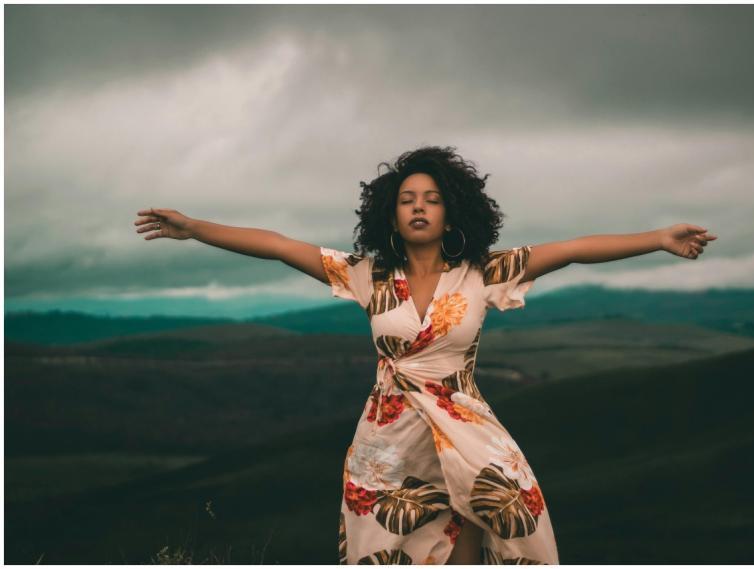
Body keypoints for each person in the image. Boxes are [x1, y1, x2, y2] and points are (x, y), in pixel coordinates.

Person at [134, 145, 717, 564]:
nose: (419, 207)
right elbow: (280, 247)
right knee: (391, 547)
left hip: (464, 427)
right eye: (407, 199)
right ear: (389, 211)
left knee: (493, 520)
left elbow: (574, 250)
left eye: (432, 199)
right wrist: (195, 228)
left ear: (450, 211)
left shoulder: (484, 272)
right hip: (386, 440)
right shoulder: (367, 274)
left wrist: (659, 238)